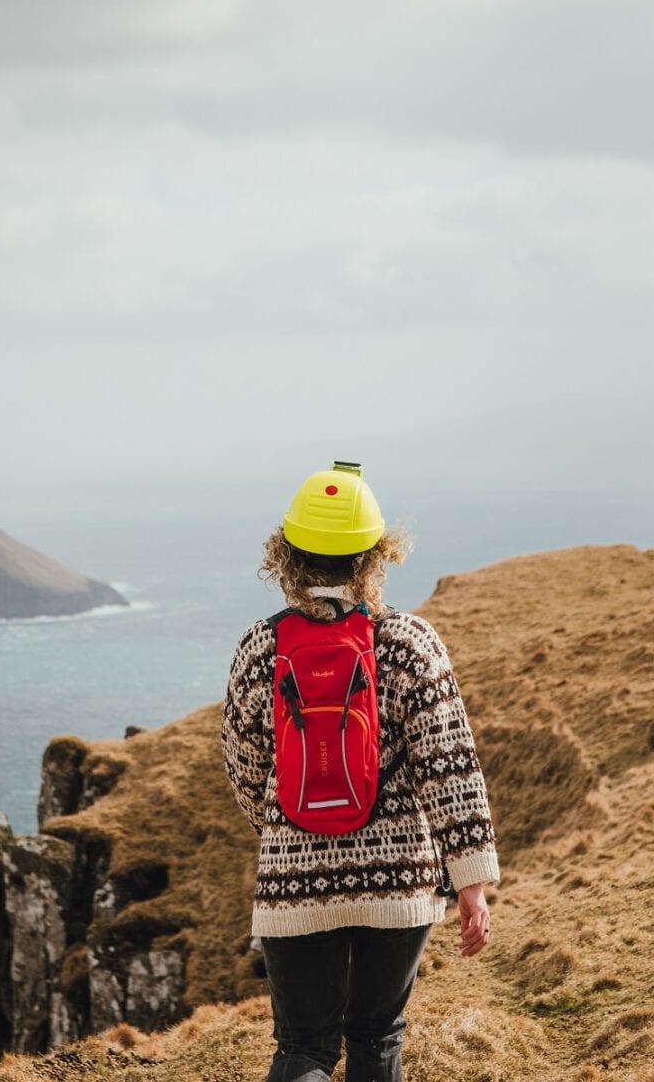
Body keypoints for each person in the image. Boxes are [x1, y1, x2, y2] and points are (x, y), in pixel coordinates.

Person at [221, 462, 500, 1082]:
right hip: (399, 881)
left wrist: (285, 824)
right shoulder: (411, 642)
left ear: (286, 556)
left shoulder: (256, 650)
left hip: (295, 878)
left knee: (304, 1047)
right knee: (377, 1038)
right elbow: (450, 769)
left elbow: (245, 769)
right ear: (376, 556)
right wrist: (471, 882)